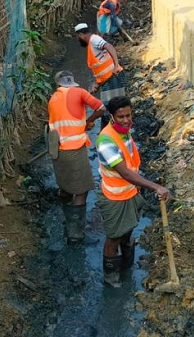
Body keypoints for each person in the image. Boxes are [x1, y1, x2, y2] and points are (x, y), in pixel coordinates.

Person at [96, 96, 170, 287]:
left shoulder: (125, 133)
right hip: (114, 198)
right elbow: (125, 173)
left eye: (129, 115)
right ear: (112, 117)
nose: (126, 120)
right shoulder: (106, 141)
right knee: (113, 238)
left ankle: (127, 266)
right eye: (121, 116)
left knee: (127, 232)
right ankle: (110, 277)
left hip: (129, 193)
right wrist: (155, 186)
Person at [47, 71, 106, 242]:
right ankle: (75, 233)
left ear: (58, 85)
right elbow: (101, 108)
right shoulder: (79, 92)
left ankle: (67, 219)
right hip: (75, 149)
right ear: (71, 83)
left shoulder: (52, 99)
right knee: (81, 190)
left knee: (66, 186)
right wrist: (89, 121)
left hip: (57, 150)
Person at [75, 23, 125, 105]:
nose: (78, 39)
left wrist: (116, 66)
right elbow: (100, 68)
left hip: (112, 78)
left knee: (112, 108)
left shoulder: (94, 39)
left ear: (80, 35)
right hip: (108, 80)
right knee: (114, 107)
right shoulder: (92, 44)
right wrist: (97, 84)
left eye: (78, 37)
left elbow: (109, 46)